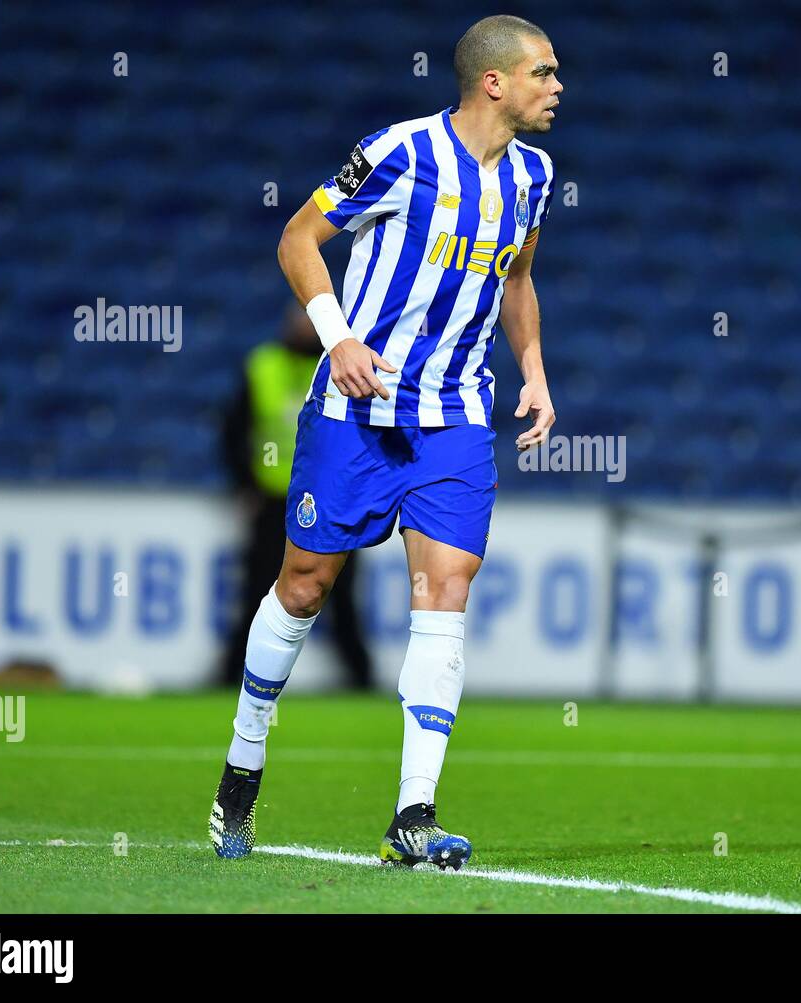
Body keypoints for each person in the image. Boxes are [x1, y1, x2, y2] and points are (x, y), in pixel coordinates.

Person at [208, 14, 561, 870]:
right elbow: (297, 237)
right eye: (543, 73)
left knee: (446, 588)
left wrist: (535, 371)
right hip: (355, 412)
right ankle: (241, 771)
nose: (557, 88)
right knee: (303, 585)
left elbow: (517, 278)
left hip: (456, 418)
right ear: (493, 82)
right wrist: (337, 337)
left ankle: (414, 814)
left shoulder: (534, 176)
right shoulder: (399, 153)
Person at [219, 304, 373, 690]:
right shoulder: (264, 365)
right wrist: (244, 486)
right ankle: (229, 678)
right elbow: (234, 431)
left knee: (339, 597)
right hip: (274, 500)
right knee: (257, 593)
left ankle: (362, 681)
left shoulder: (342, 363)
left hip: (329, 501)